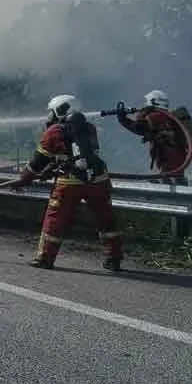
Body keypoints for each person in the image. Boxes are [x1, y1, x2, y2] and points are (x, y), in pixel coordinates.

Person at [15, 94, 123, 271]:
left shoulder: (53, 132)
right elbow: (79, 154)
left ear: (59, 110)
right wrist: (51, 167)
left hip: (69, 183)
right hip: (98, 180)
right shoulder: (90, 128)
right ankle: (114, 258)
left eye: (51, 112)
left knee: (55, 220)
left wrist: (23, 179)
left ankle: (45, 258)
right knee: (106, 219)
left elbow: (37, 162)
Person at [116, 90, 192, 186]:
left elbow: (138, 128)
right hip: (176, 163)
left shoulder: (156, 116)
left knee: (169, 187)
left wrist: (122, 119)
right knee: (177, 181)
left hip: (169, 163)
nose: (145, 105)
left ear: (153, 101)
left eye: (146, 102)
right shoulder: (168, 118)